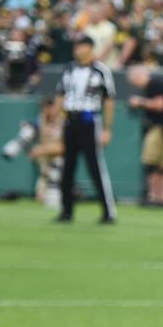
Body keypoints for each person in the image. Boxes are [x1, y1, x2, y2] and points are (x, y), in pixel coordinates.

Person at [54, 35, 117, 224]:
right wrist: (56, 121)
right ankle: (66, 210)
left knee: (95, 166)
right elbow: (60, 94)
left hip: (89, 120)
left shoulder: (101, 71)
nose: (77, 50)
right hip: (70, 120)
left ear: (89, 48)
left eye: (81, 46)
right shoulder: (69, 68)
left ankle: (108, 211)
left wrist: (107, 128)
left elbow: (109, 100)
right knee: (68, 167)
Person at [127, 65, 163, 208]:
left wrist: (139, 102)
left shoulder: (154, 84)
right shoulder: (151, 86)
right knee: (161, 165)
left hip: (160, 127)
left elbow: (161, 105)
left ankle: (156, 196)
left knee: (152, 162)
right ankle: (162, 198)